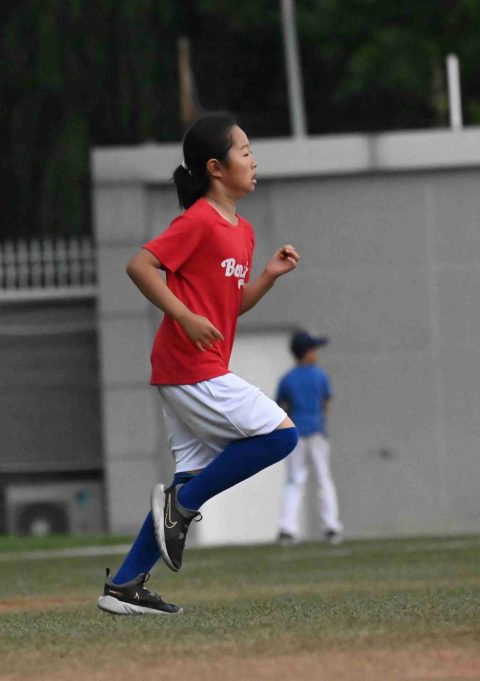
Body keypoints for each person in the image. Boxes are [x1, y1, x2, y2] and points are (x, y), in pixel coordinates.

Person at [97, 112, 302, 616]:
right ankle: (181, 508)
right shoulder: (199, 220)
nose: (253, 160)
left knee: (190, 477)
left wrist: (268, 277)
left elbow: (229, 307)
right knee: (281, 436)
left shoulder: (243, 232)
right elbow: (140, 266)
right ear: (215, 167)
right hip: (189, 365)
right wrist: (184, 316)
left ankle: (124, 585)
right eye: (244, 151)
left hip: (191, 367)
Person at [276, 331, 342, 545]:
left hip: (295, 434)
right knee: (323, 478)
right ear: (307, 352)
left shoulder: (287, 379)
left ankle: (287, 528)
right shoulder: (320, 375)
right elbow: (325, 404)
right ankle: (331, 526)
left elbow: (280, 407)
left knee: (294, 480)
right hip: (317, 432)